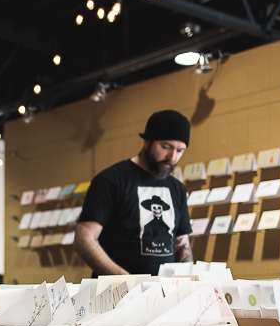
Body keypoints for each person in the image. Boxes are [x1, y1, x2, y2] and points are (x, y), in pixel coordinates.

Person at [74, 110, 194, 276]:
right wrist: (126, 281)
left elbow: (182, 245)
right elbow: (84, 239)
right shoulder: (111, 180)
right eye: (166, 147)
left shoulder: (177, 189)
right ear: (147, 142)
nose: (172, 157)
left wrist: (188, 284)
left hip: (164, 295)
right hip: (115, 294)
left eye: (180, 151)